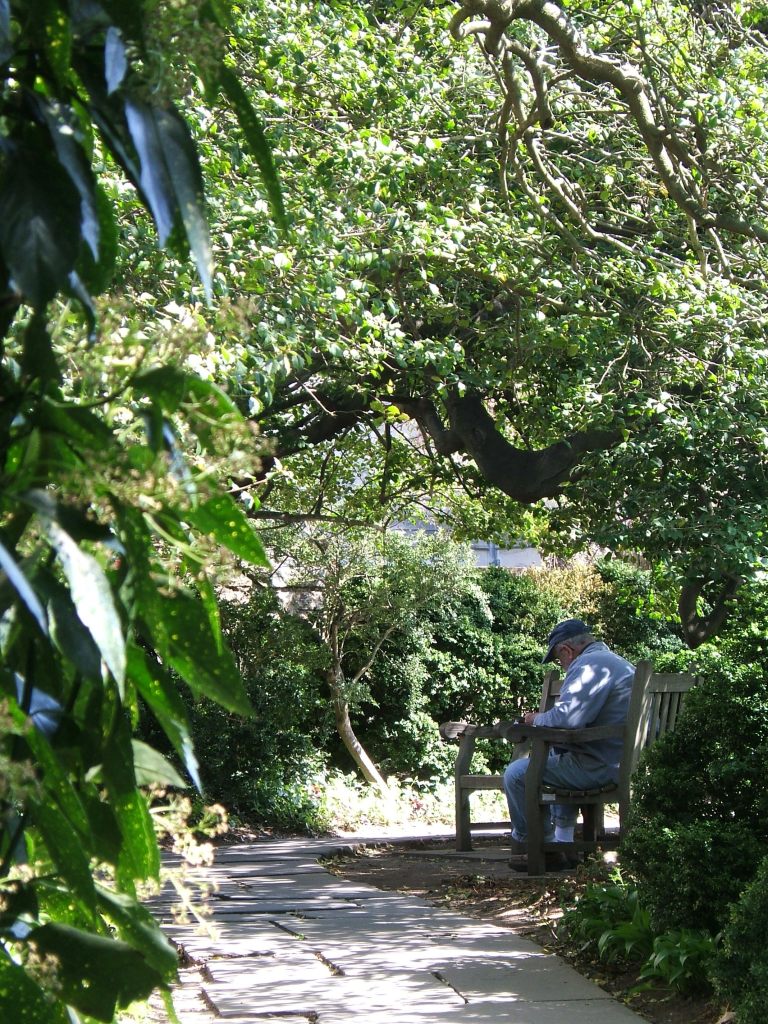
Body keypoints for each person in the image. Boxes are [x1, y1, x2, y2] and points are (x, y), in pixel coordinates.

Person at [503, 618, 635, 871]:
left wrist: (534, 719)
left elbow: (568, 719)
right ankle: (561, 843)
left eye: (558, 659)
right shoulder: (617, 663)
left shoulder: (588, 665)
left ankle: (533, 846)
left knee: (517, 774)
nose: (562, 667)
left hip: (602, 766)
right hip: (626, 761)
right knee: (559, 752)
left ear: (566, 650)